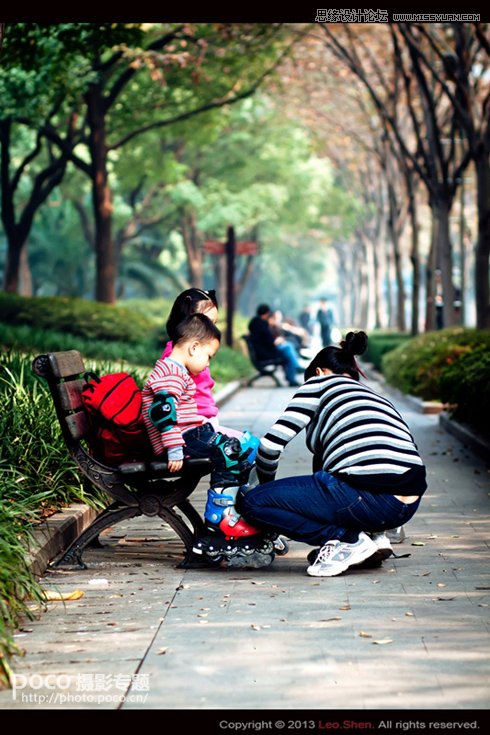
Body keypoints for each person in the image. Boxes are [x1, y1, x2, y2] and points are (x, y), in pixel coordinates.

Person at [237, 331, 427, 577]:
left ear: (318, 371)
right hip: (406, 505)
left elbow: (270, 446)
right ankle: (373, 535)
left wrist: (265, 488)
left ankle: (348, 540)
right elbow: (395, 453)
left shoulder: (319, 383)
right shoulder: (375, 397)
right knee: (335, 484)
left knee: (253, 503)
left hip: (366, 497)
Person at [142, 313, 259, 540]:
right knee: (230, 452)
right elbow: (162, 411)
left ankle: (238, 507)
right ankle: (220, 516)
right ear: (194, 347)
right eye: (209, 356)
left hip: (192, 436)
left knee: (241, 448)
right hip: (184, 441)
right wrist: (174, 449)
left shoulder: (174, 370)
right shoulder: (170, 372)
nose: (207, 363)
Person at [248, 304, 303, 387]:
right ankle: (294, 371)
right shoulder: (262, 325)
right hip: (265, 353)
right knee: (288, 348)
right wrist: (277, 341)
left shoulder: (254, 324)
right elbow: (269, 341)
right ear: (266, 313)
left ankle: (294, 371)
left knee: (288, 348)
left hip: (261, 352)